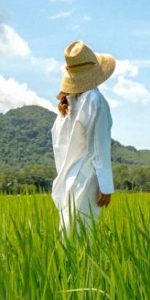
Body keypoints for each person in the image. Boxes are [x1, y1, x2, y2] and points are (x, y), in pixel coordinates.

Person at [51, 40, 116, 234]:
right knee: (81, 234)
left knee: (69, 232)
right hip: (88, 176)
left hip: (68, 175)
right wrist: (105, 184)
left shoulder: (68, 103)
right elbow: (98, 144)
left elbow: (58, 146)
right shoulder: (94, 100)